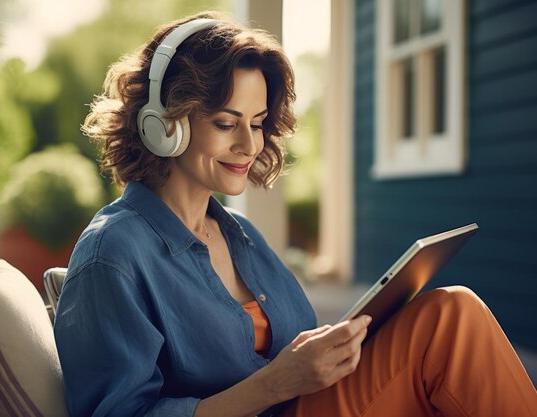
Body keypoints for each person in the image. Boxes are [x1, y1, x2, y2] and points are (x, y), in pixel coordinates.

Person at [53, 11, 537, 417]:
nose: (249, 145)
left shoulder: (239, 234)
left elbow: (296, 352)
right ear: (164, 126)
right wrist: (274, 384)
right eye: (226, 123)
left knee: (449, 313)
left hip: (308, 405)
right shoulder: (112, 255)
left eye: (258, 124)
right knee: (450, 321)